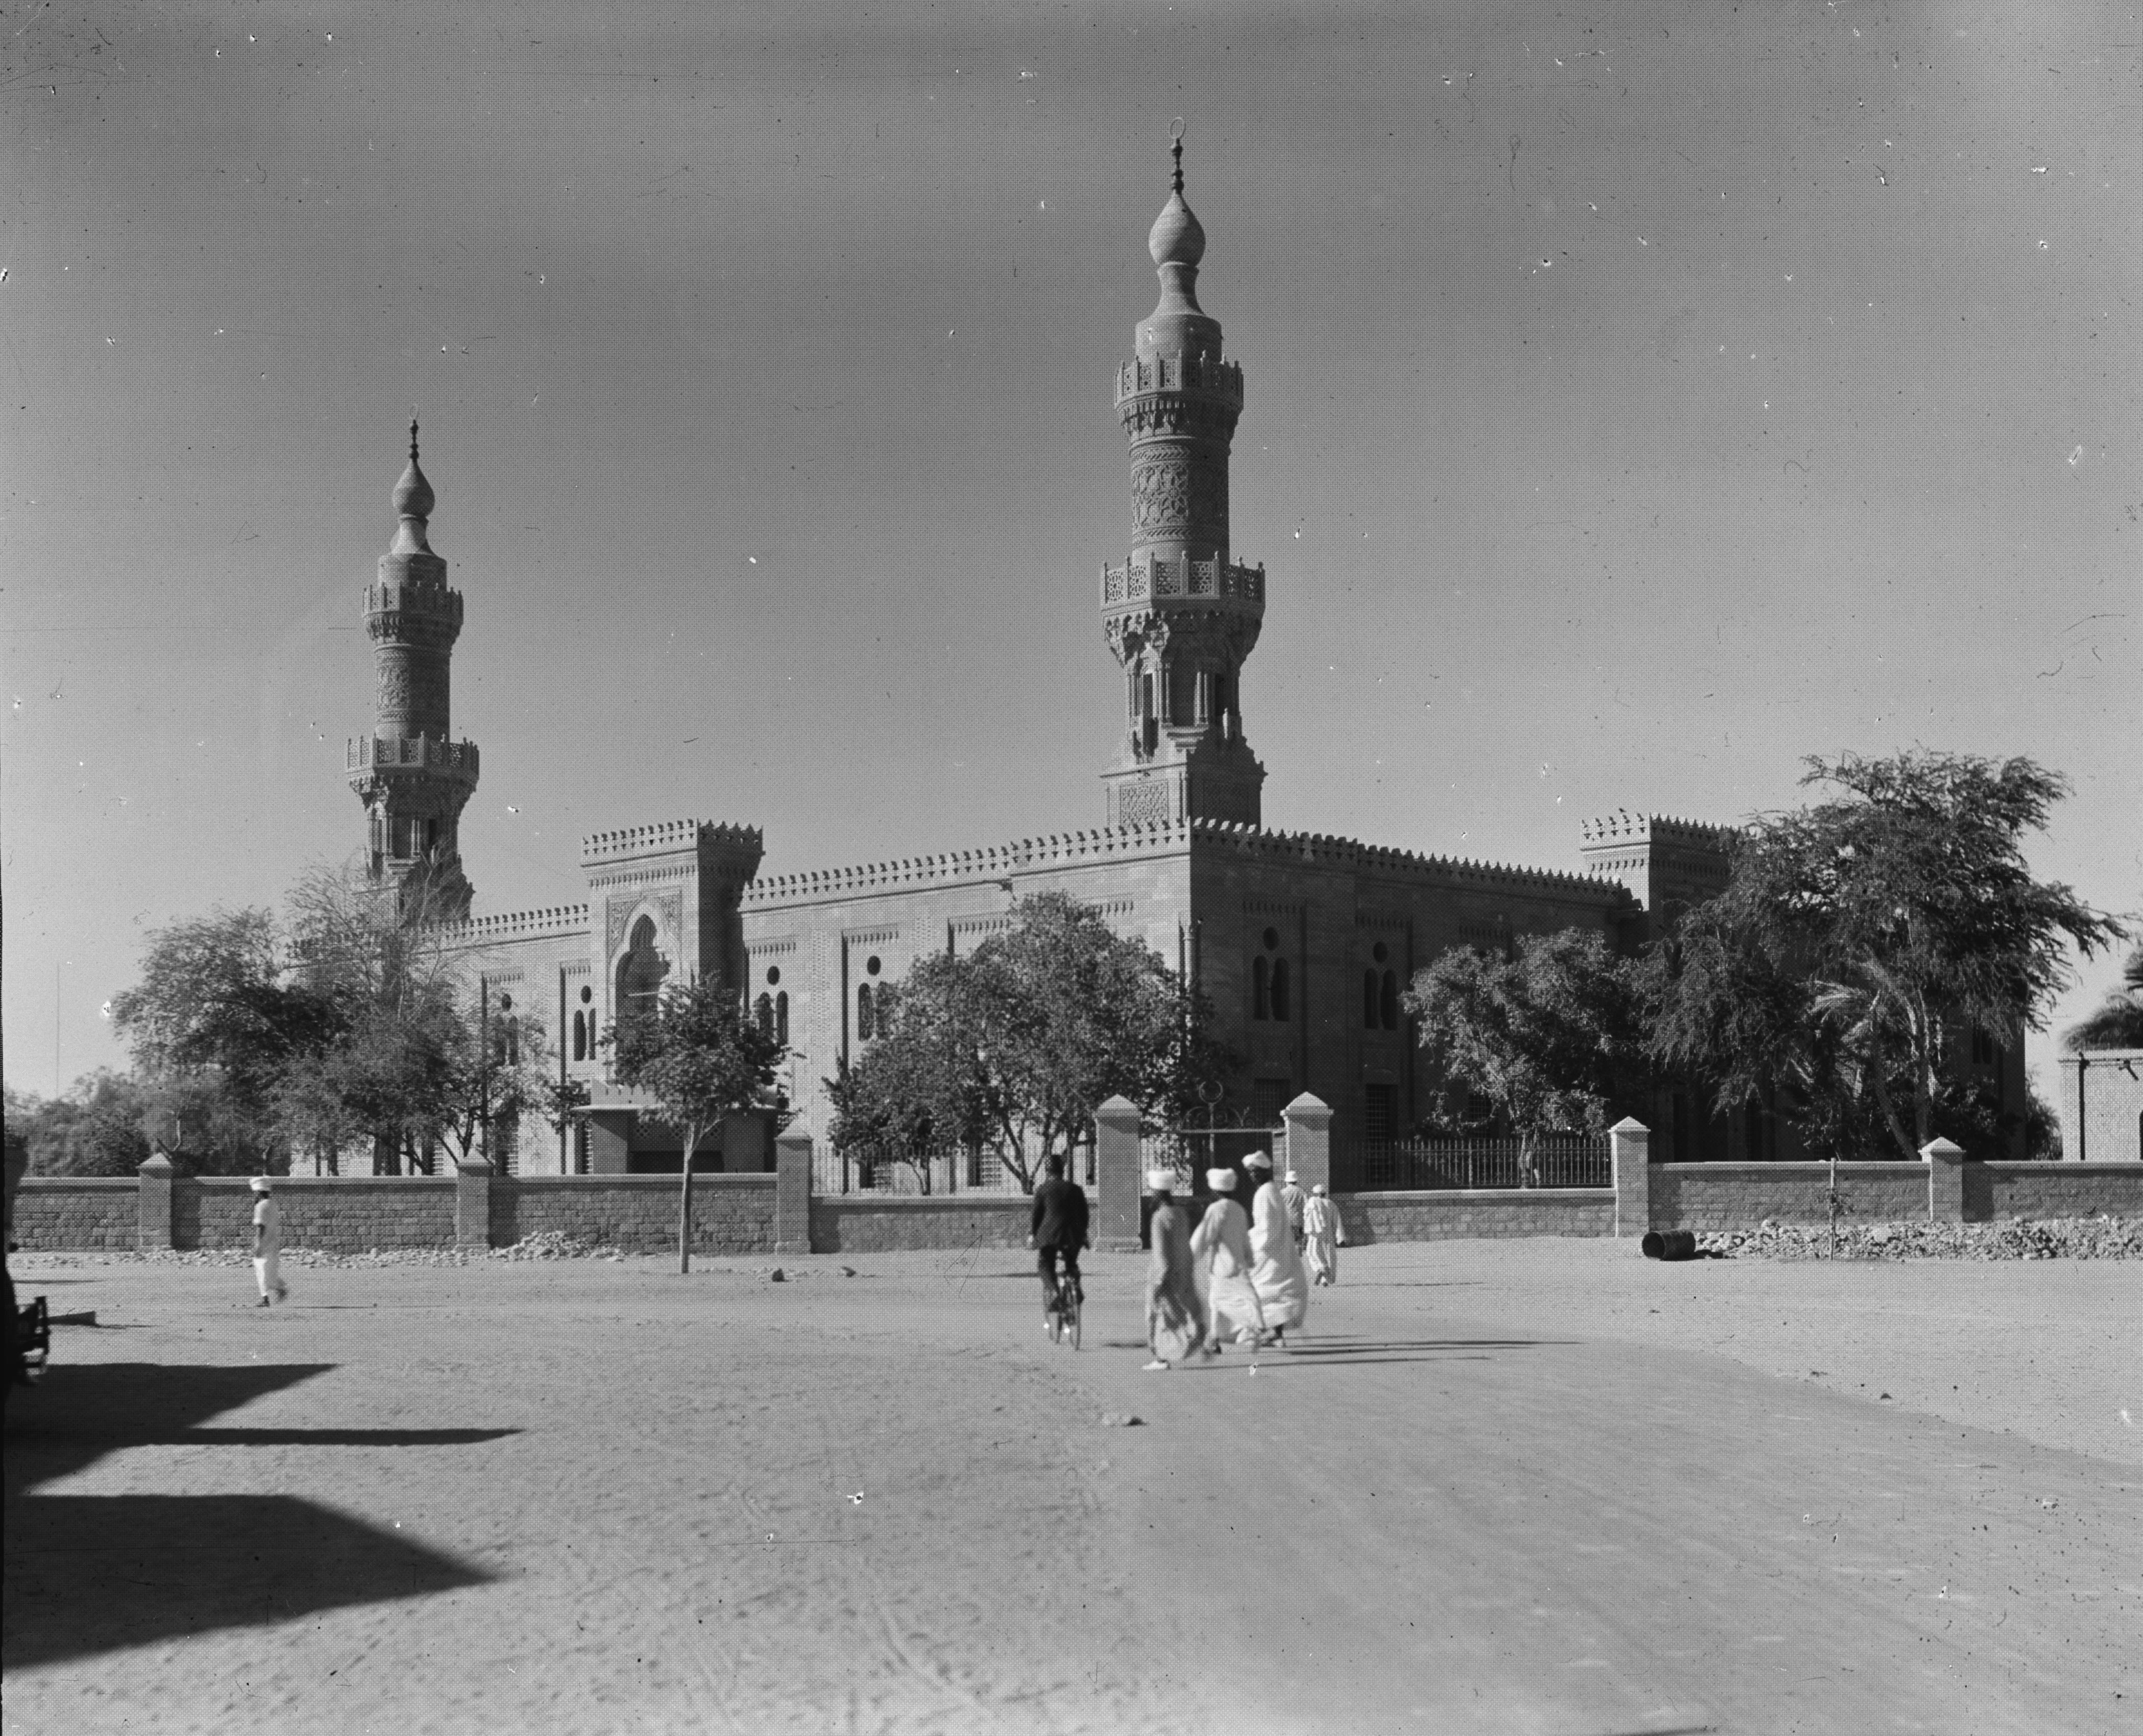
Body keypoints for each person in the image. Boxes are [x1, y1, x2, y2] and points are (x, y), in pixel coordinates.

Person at [1189, 1168, 1265, 1353]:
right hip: (1239, 1264)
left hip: (1222, 1266)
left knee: (1219, 1302)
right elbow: (1245, 1238)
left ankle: (1249, 1330)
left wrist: (1190, 1257)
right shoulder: (1239, 1209)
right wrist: (1249, 1257)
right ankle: (1216, 1339)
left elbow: (1204, 1236)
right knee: (1237, 1299)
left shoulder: (1216, 1209)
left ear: (1215, 1190)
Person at [1142, 1169, 1206, 1370]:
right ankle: (1190, 1339)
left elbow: (1161, 1253)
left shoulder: (1159, 1218)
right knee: (1175, 1315)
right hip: (1182, 1272)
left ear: (1157, 1193)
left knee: (1158, 1317)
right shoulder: (1181, 1213)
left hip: (1164, 1275)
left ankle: (1161, 1358)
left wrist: (1158, 1282)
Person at [1245, 1151, 1308, 1341]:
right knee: (1275, 1291)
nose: (1253, 1176)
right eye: (1251, 1172)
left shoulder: (1266, 1192)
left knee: (1265, 1289)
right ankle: (1275, 1333)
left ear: (1266, 1172)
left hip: (1269, 1251)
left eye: (1256, 1171)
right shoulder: (1272, 1190)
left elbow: (1266, 1228)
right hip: (1278, 1247)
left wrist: (1247, 1240)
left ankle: (1270, 1332)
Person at [1026, 1152, 1089, 1334]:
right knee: (1071, 1263)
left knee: (1045, 1265)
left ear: (1047, 1172)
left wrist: (1032, 1235)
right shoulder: (1075, 1189)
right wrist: (1083, 1234)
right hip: (1072, 1236)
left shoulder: (1043, 1190)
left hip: (1049, 1237)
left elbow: (1036, 1216)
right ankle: (1075, 1286)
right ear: (1063, 1170)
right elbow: (1084, 1215)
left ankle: (1054, 1292)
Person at [251, 1176, 287, 1308]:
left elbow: (261, 1227)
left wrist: (258, 1245)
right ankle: (278, 1289)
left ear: (258, 1192)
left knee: (262, 1271)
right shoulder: (273, 1204)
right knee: (270, 1272)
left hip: (264, 1244)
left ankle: (266, 1298)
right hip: (273, 1242)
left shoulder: (261, 1206)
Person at [1302, 1181, 1344, 1286]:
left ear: (1315, 1194)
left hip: (1315, 1234)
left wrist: (1306, 1233)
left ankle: (1320, 1269)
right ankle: (1329, 1279)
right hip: (1328, 1233)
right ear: (1325, 1193)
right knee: (1330, 1255)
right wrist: (1340, 1238)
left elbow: (1307, 1218)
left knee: (1313, 1253)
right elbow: (1337, 1222)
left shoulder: (1312, 1203)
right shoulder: (1331, 1204)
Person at [1280, 1169, 1308, 1253]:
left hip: (1286, 1221)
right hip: (1298, 1221)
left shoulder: (1282, 1192)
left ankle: (1288, 1258)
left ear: (1287, 1181)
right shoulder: (1301, 1192)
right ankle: (1298, 1257)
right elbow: (1307, 1206)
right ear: (1296, 1181)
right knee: (1298, 1240)